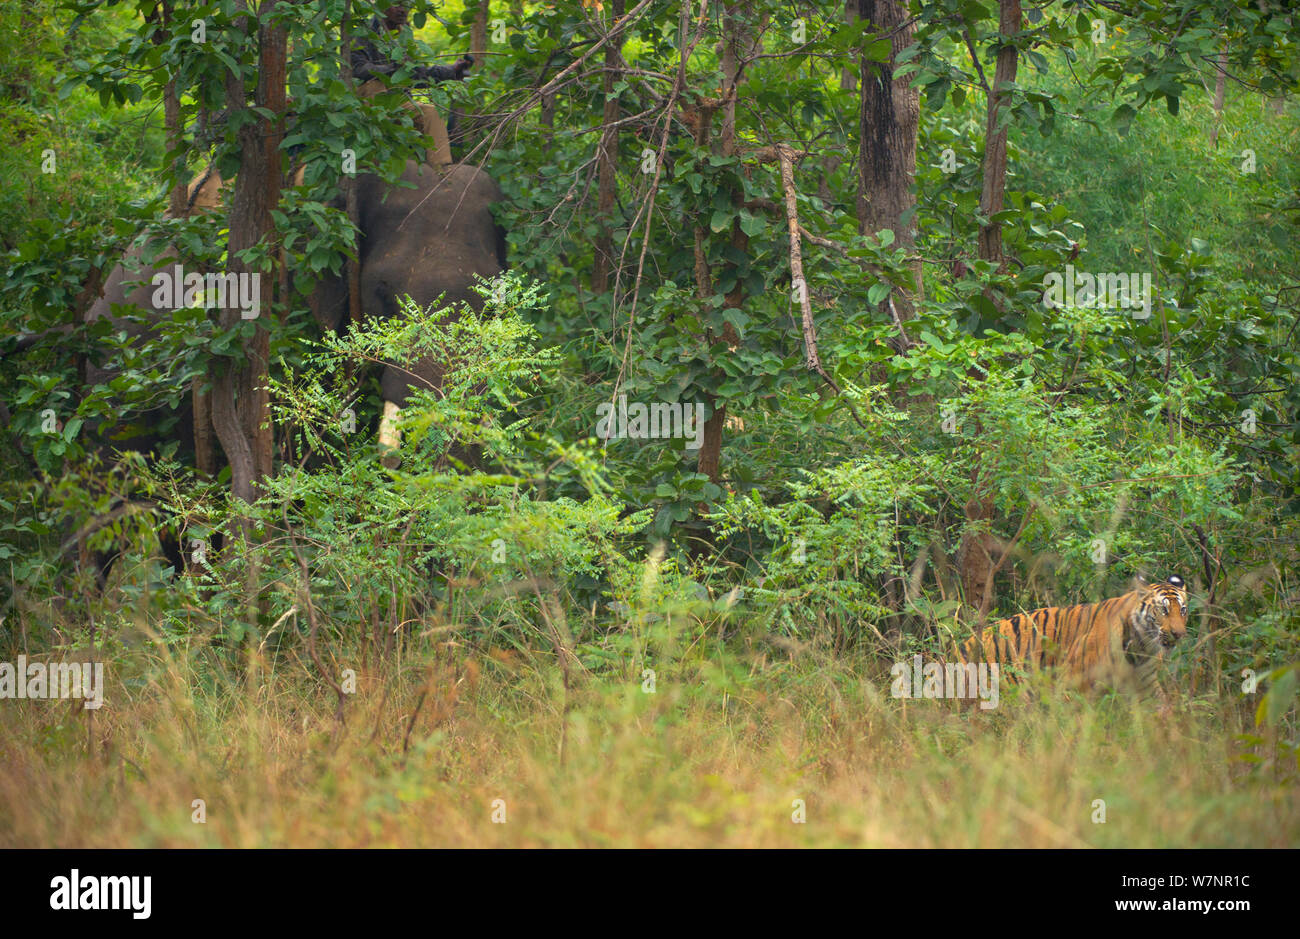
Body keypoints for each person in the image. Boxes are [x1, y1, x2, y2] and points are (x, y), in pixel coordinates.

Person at [352, 4, 474, 166]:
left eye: (407, 4)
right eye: (397, 4)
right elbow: (358, 69)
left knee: (431, 113)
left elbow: (417, 74)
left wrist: (452, 71)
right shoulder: (363, 32)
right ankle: (378, 159)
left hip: (398, 101)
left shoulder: (404, 36)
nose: (403, 10)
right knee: (376, 86)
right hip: (368, 102)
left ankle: (443, 168)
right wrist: (393, 68)